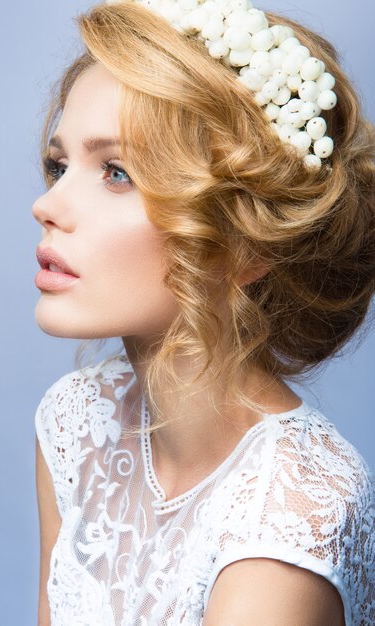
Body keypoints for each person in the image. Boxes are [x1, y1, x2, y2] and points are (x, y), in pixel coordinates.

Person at [32, 1, 375, 624]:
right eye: (59, 165)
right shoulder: (76, 424)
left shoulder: (285, 522)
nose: (47, 203)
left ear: (245, 243)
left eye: (116, 172)